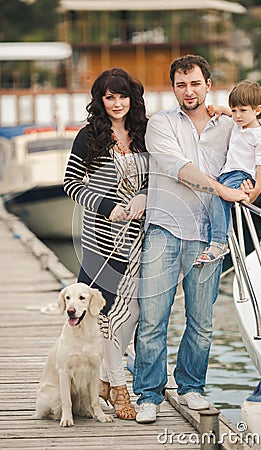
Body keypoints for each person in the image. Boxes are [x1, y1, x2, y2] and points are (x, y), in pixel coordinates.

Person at [132, 54, 249, 424]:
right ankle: (148, 395)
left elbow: (250, 159)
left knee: (202, 320)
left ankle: (191, 388)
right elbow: (178, 169)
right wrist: (221, 189)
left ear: (208, 85)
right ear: (173, 88)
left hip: (208, 234)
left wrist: (248, 187)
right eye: (181, 85)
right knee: (153, 319)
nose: (188, 91)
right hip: (164, 230)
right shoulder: (160, 124)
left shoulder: (229, 127)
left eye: (195, 83)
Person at [63, 68, 148, 420]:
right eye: (109, 97)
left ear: (132, 98)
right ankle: (119, 386)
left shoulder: (144, 133)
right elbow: (70, 183)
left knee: (136, 314)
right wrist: (106, 206)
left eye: (122, 95)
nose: (116, 103)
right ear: (100, 100)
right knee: (108, 315)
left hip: (142, 238)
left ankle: (103, 379)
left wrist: (144, 196)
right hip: (102, 241)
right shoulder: (89, 137)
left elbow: (157, 175)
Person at [194, 80, 261, 265]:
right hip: (227, 173)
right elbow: (232, 113)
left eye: (243, 111)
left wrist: (257, 190)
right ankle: (221, 237)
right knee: (217, 203)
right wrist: (222, 109)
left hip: (241, 174)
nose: (237, 116)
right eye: (234, 110)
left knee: (217, 198)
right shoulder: (241, 124)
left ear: (258, 109)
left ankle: (219, 243)